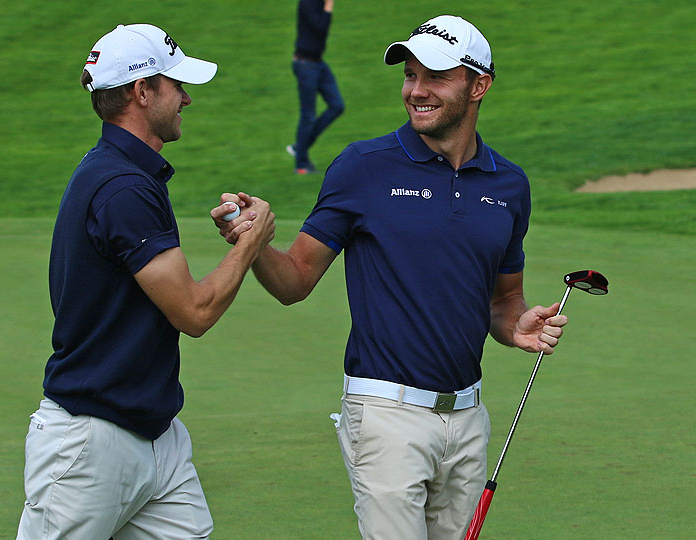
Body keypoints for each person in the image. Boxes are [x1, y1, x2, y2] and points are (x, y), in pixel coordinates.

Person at [213, 15, 567, 540]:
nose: (416, 91)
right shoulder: (364, 166)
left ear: (479, 85)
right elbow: (295, 281)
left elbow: (504, 299)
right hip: (384, 414)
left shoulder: (509, 185)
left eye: (436, 77)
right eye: (409, 75)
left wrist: (517, 325)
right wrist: (253, 241)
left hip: (468, 418)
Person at [16, 23, 274, 540]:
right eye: (176, 84)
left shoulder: (121, 175)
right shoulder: (123, 187)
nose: (187, 98)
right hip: (91, 442)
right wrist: (252, 244)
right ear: (142, 91)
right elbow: (194, 313)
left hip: (156, 438)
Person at [288, 0, 345, 174]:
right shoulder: (308, 2)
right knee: (309, 116)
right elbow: (321, 27)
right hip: (305, 65)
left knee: (337, 105)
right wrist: (328, 6)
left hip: (318, 63)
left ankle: (300, 146)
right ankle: (301, 165)